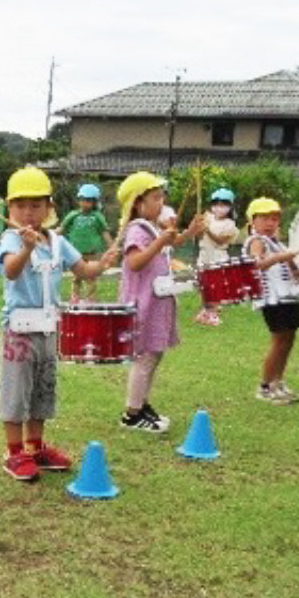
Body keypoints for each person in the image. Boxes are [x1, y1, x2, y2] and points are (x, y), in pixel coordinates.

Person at [0, 167, 116, 481]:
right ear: (10, 208)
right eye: (21, 206)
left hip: (49, 328)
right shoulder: (11, 238)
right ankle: (13, 452)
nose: (28, 213)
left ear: (48, 208)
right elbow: (10, 271)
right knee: (15, 392)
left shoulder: (58, 242)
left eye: (36, 205)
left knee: (42, 390)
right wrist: (27, 248)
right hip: (19, 332)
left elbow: (83, 270)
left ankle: (35, 447)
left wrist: (102, 264)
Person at [115, 172, 204, 433]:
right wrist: (159, 241)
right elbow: (134, 261)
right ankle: (132, 413)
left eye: (161, 197)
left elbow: (170, 243)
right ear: (137, 203)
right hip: (143, 304)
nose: (161, 202)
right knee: (145, 357)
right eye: (155, 198)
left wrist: (189, 232)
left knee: (154, 354)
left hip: (157, 303)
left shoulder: (152, 228)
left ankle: (142, 405)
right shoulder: (137, 229)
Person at [244, 197, 299, 404]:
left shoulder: (278, 243)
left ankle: (277, 382)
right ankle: (266, 386)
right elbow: (255, 264)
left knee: (288, 340)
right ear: (252, 221)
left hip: (287, 296)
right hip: (272, 299)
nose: (270, 223)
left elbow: (292, 268)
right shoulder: (257, 241)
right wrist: (280, 257)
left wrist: (293, 262)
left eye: (275, 219)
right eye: (264, 218)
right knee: (279, 342)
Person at [59, 183, 114, 303]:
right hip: (76, 253)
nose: (85, 203)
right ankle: (75, 296)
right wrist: (49, 235)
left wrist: (112, 247)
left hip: (93, 252)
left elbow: (104, 232)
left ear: (94, 202)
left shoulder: (97, 217)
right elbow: (62, 229)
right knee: (77, 276)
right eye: (83, 200)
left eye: (88, 201)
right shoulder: (73, 216)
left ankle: (91, 297)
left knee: (92, 276)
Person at [194, 188, 240, 326]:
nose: (219, 208)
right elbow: (198, 235)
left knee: (215, 285)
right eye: (216, 204)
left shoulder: (230, 224)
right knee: (203, 285)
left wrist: (207, 230)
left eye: (223, 205)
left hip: (218, 256)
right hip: (204, 254)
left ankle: (213, 313)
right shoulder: (207, 217)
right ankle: (205, 311)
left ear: (230, 207)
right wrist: (198, 226)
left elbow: (220, 241)